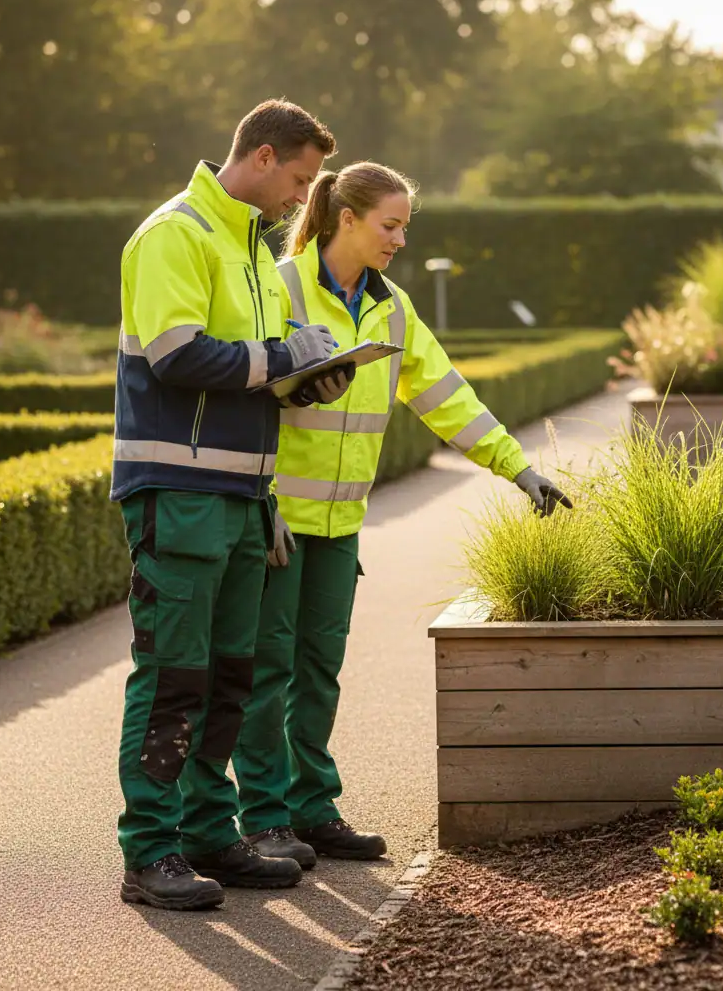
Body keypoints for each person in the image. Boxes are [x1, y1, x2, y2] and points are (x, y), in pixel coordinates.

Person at [232, 161, 572, 867]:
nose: (399, 240)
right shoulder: (278, 286)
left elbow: (447, 396)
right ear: (345, 219)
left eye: (405, 228)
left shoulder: (392, 307)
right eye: (390, 226)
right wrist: (256, 502)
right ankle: (263, 817)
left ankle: (311, 808)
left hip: (340, 523)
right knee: (269, 672)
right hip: (277, 522)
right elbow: (238, 397)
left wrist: (520, 468)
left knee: (319, 669)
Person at [113, 99, 342, 911]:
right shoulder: (175, 233)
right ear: (265, 154)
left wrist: (307, 381)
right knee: (175, 677)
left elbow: (249, 377)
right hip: (176, 496)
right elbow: (178, 355)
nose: (303, 201)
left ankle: (210, 831)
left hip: (243, 498)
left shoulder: (250, 250)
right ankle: (149, 851)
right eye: (302, 181)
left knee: (229, 680)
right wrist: (282, 355)